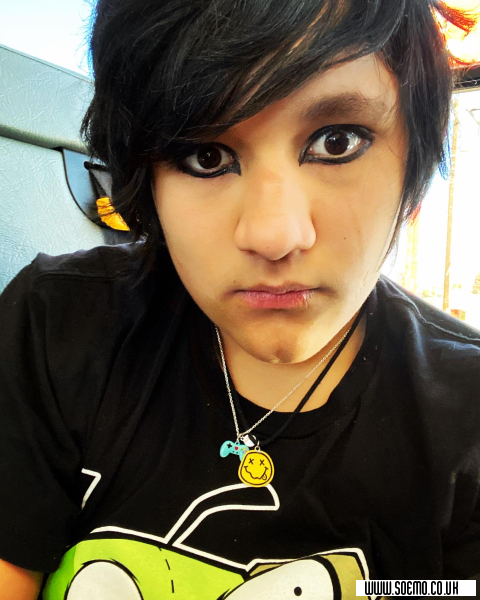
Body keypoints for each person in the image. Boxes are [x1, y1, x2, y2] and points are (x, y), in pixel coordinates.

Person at [0, 0, 479, 597]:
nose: (274, 236)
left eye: (336, 142)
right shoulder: (58, 327)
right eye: (206, 156)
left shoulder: (466, 419)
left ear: (414, 173)